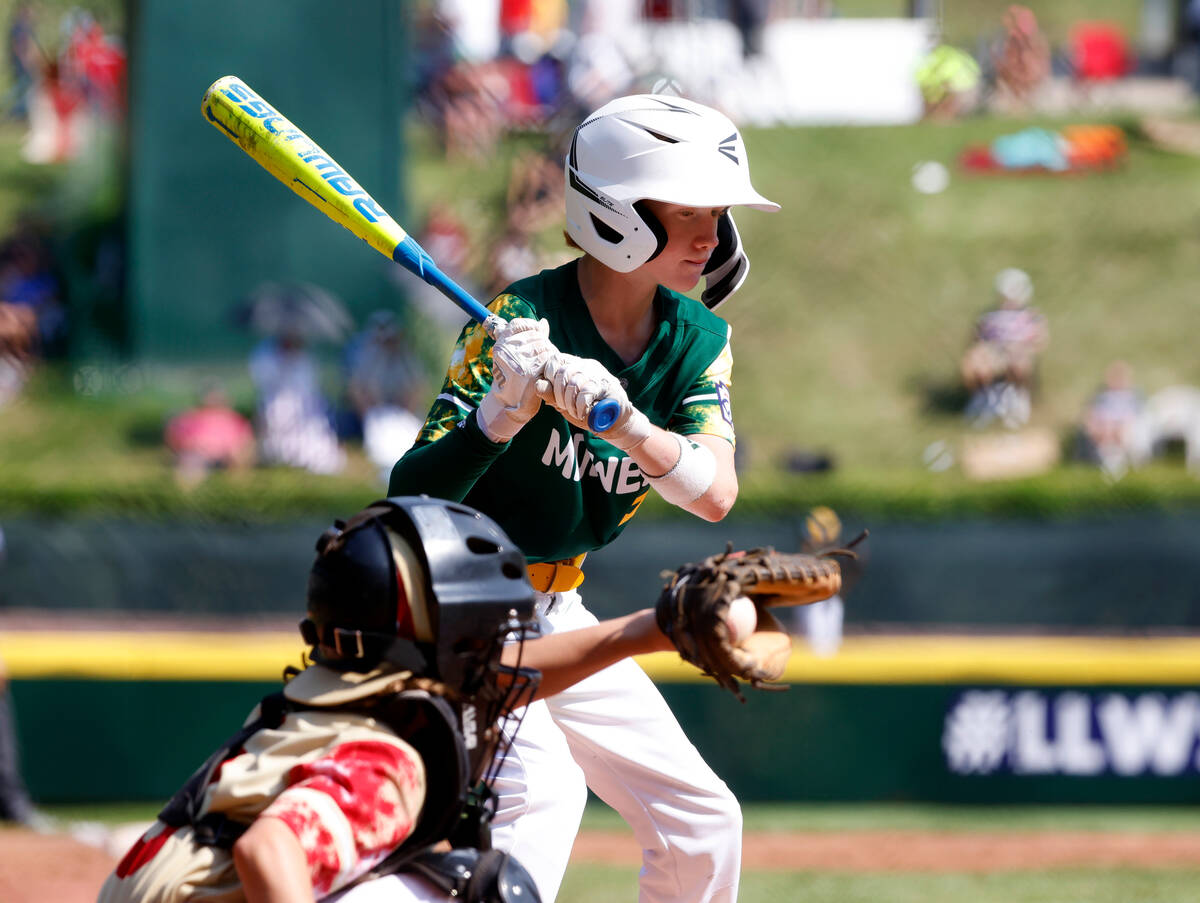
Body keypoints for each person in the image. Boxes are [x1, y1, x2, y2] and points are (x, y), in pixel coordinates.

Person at [389, 92, 779, 903]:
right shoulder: (520, 319)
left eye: (717, 213)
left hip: (559, 607)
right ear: (617, 215)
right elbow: (409, 493)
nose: (709, 235)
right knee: (544, 794)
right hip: (463, 611)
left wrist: (630, 421)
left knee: (704, 821)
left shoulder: (697, 341)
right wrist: (499, 415)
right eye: (685, 212)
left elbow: (715, 493)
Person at [98, 496, 682, 903]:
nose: (490, 640)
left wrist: (653, 629)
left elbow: (501, 678)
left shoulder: (316, 705)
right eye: (475, 627)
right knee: (475, 889)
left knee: (429, 854)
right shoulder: (389, 755)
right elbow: (268, 852)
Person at [960, 267, 1048, 428]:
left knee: (1018, 360)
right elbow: (976, 339)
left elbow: (1039, 341)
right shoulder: (988, 315)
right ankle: (983, 399)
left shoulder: (1031, 316)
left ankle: (1017, 400)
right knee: (975, 362)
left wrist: (1019, 348)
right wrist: (982, 351)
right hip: (993, 352)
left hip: (1018, 352)